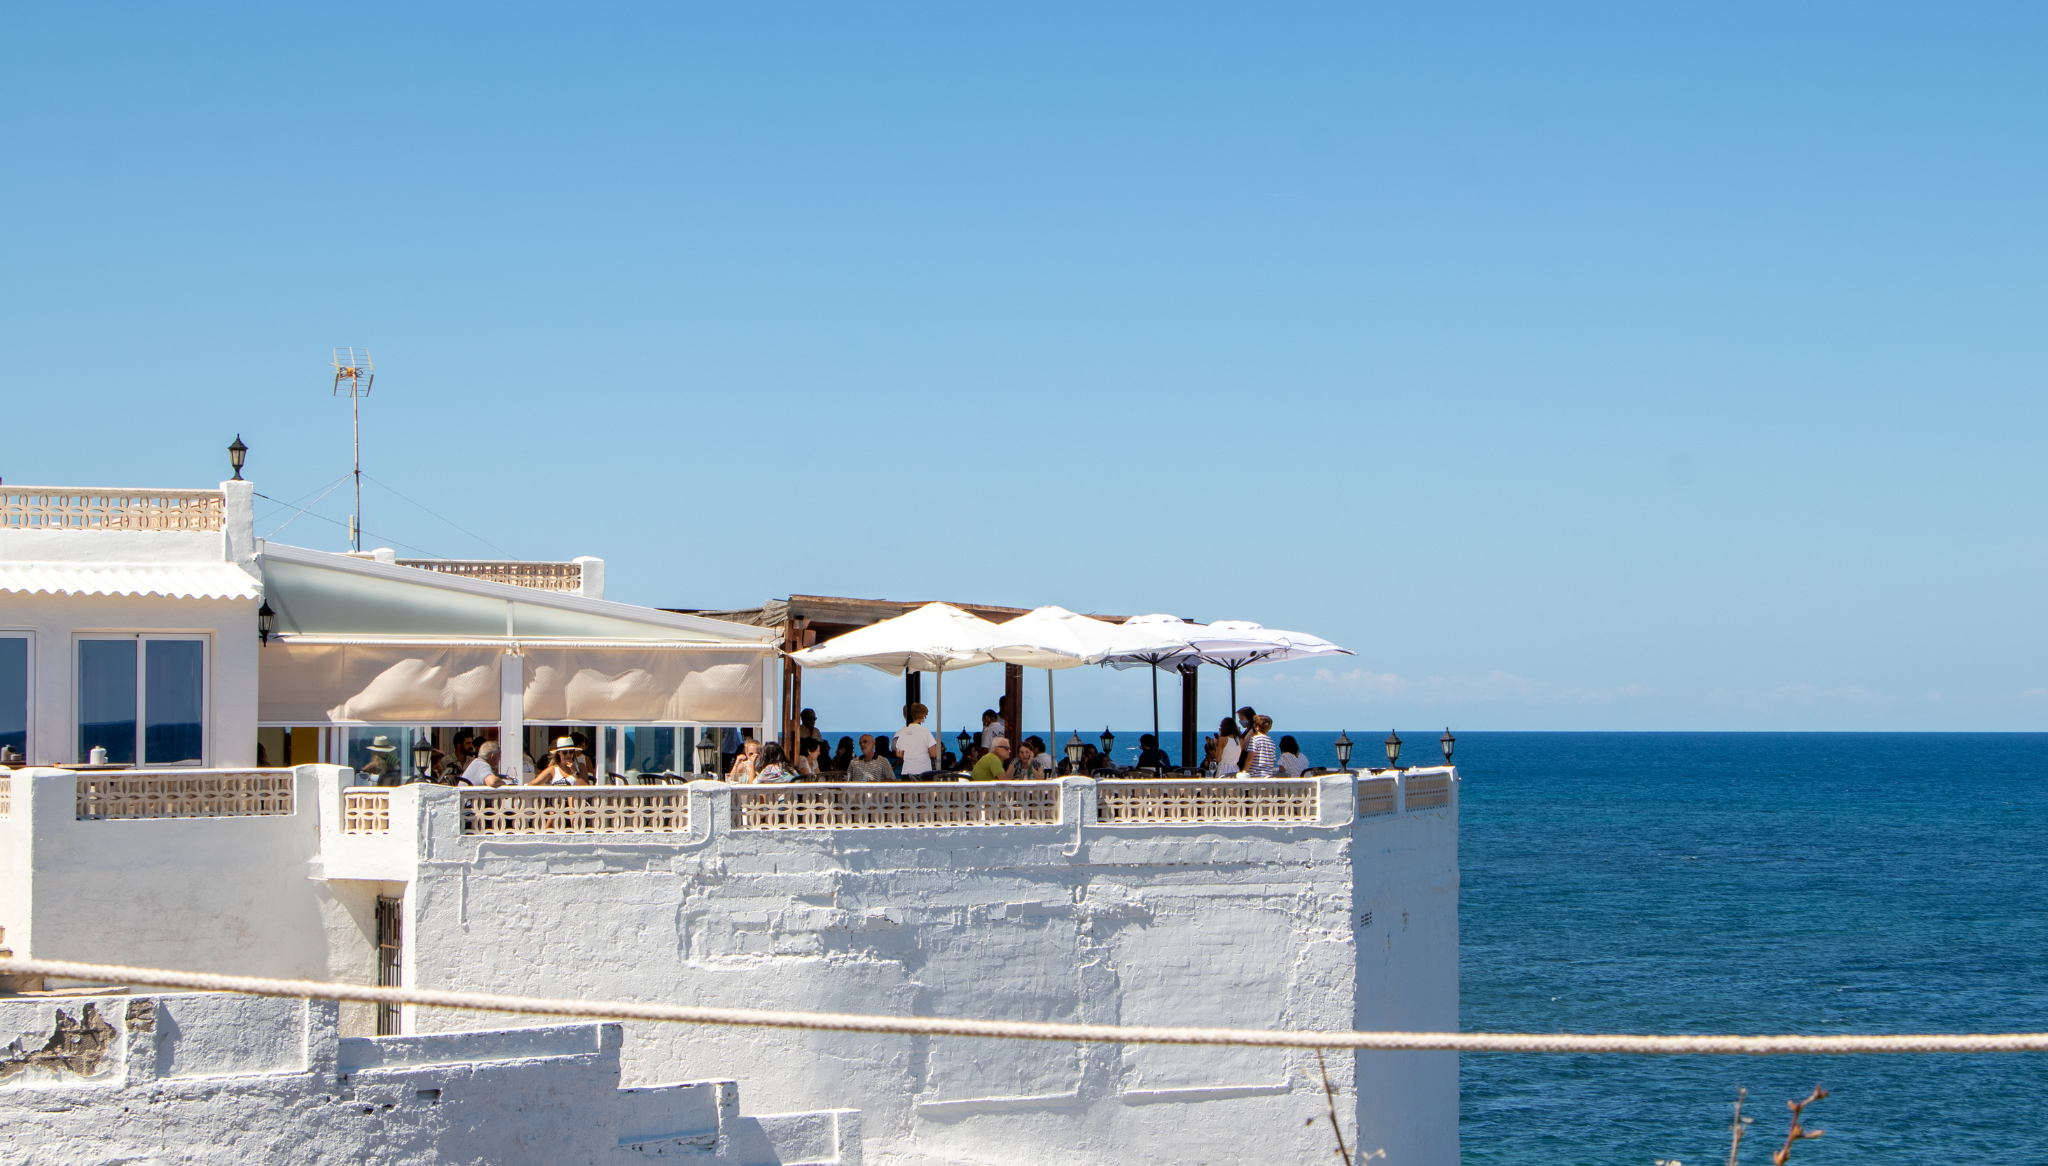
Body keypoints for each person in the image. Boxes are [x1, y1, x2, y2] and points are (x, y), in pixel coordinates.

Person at [896, 703, 938, 777]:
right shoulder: (925, 731)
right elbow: (933, 752)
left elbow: (898, 753)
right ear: (923, 715)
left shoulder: (900, 732)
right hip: (924, 771)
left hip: (907, 771)